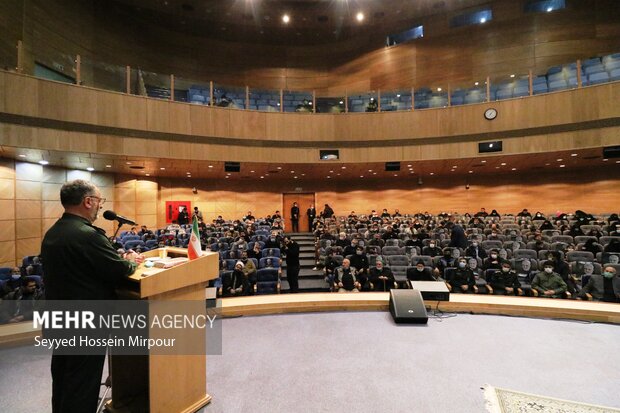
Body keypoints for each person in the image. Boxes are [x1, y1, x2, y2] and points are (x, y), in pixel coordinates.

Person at [41, 179, 140, 413]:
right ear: (88, 201)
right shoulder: (87, 235)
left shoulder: (54, 232)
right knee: (82, 384)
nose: (99, 206)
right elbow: (120, 270)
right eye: (98, 201)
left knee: (64, 379)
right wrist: (130, 260)